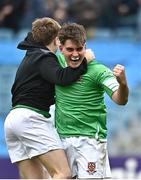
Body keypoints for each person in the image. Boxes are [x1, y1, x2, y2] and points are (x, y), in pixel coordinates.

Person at [4, 17, 92, 179]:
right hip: (30, 118)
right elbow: (63, 78)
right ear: (57, 39)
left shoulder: (30, 56)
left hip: (13, 120)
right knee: (62, 173)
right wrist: (85, 60)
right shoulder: (43, 56)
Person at [55, 22, 129, 179]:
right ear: (61, 48)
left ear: (85, 46)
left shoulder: (99, 71)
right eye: (70, 49)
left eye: (79, 49)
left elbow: (120, 99)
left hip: (90, 141)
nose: (75, 54)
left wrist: (123, 83)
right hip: (60, 140)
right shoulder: (55, 65)